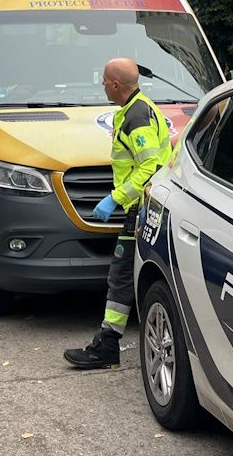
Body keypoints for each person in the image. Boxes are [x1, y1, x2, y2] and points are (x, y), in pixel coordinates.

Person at [64, 58, 174, 369]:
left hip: (143, 208)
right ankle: (108, 342)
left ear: (115, 85)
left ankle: (107, 346)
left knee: (122, 276)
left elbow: (150, 167)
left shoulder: (136, 117)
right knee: (124, 276)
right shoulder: (136, 109)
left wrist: (115, 198)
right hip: (144, 207)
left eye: (104, 81)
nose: (101, 85)